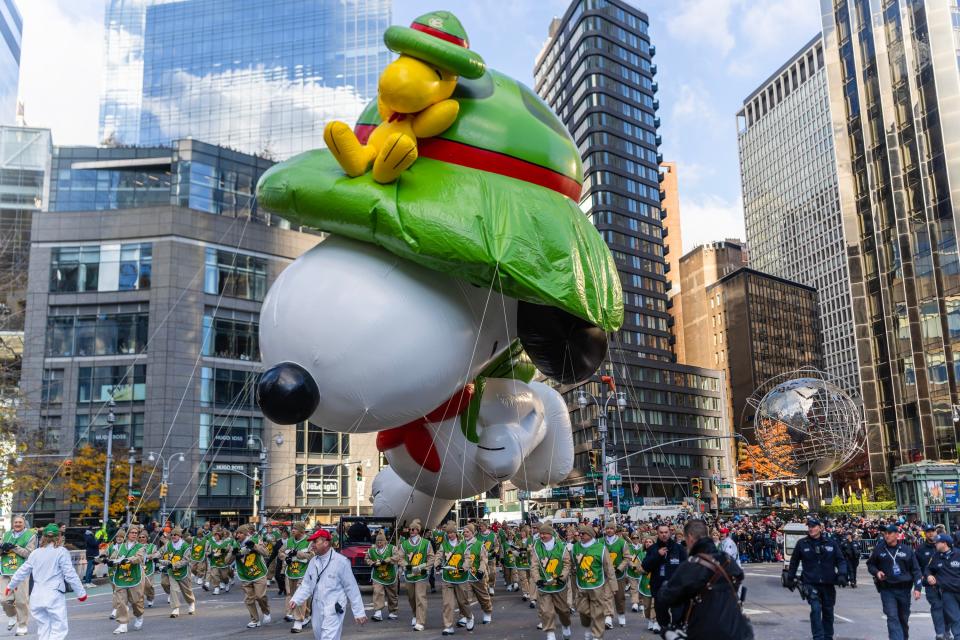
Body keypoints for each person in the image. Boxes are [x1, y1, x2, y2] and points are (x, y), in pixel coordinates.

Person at [655, 519, 753, 640]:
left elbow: (665, 598)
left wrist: (666, 626)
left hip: (704, 632)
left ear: (690, 537)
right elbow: (739, 577)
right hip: (738, 632)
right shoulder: (728, 561)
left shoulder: (691, 566)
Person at [6, 524, 87, 640]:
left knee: (43, 628)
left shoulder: (35, 553)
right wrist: (81, 593)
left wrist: (11, 585)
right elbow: (70, 575)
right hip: (54, 595)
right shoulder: (61, 552)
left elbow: (22, 571)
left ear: (43, 537)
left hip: (37, 596)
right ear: (59, 537)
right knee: (58, 628)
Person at [289, 528, 367, 640]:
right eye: (312, 542)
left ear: (326, 543)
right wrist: (296, 599)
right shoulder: (313, 562)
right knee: (319, 635)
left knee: (328, 637)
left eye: (315, 542)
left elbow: (351, 588)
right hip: (316, 606)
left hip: (334, 607)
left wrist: (359, 612)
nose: (312, 545)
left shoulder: (341, 562)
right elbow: (306, 584)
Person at [785, 517, 848, 640]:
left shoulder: (831, 543)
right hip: (810, 583)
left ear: (820, 527)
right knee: (815, 609)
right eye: (809, 527)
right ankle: (818, 637)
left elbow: (840, 560)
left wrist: (842, 574)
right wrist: (790, 577)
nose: (811, 529)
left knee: (828, 612)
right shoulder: (802, 544)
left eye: (813, 526)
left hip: (828, 583)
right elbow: (794, 562)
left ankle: (828, 636)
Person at [866, 524, 922, 640]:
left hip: (904, 590)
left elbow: (916, 570)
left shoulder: (907, 551)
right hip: (887, 589)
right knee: (892, 617)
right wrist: (877, 572)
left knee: (903, 618)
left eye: (889, 533)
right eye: (885, 533)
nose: (886, 536)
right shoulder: (879, 549)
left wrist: (917, 588)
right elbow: (870, 564)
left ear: (897, 535)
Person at [572, 523, 616, 640]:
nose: (580, 535)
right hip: (581, 585)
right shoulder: (575, 547)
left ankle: (597, 636)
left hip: (597, 585)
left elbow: (609, 568)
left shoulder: (601, 548)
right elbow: (572, 564)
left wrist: (613, 586)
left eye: (583, 534)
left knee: (598, 613)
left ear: (591, 535)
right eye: (580, 533)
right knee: (583, 611)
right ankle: (587, 628)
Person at [642, 523, 687, 633]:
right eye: (661, 532)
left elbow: (686, 567)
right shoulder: (652, 549)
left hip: (676, 588)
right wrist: (657, 555)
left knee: (678, 616)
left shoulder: (679, 548)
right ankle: (667, 631)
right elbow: (645, 566)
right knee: (662, 617)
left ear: (670, 533)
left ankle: (676, 632)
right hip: (659, 588)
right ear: (657, 533)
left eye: (666, 532)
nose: (664, 535)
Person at [531, 521, 571, 640]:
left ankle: (565, 625)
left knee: (563, 610)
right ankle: (550, 633)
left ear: (551, 534)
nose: (542, 536)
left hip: (559, 585)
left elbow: (567, 564)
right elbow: (534, 565)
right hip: (544, 586)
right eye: (540, 533)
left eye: (544, 533)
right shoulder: (536, 547)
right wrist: (537, 579)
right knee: (546, 611)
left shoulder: (561, 547)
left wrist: (562, 577)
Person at [435, 521, 474, 635]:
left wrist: (464, 567)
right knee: (448, 603)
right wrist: (437, 564)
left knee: (463, 602)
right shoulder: (444, 544)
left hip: (461, 577)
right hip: (447, 577)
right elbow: (439, 555)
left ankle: (469, 617)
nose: (450, 535)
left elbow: (468, 558)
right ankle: (448, 626)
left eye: (452, 532)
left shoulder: (463, 544)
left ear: (455, 533)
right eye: (448, 533)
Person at [0, 515, 36, 635]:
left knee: (21, 600)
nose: (17, 524)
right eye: (15, 522)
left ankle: (22, 625)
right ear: (12, 523)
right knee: (4, 599)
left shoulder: (30, 535)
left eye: (20, 522)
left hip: (21, 572)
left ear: (24, 523)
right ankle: (12, 615)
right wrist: (3, 549)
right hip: (5, 571)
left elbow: (29, 554)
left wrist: (14, 547)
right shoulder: (6, 535)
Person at [108, 524, 146, 634]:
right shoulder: (120, 547)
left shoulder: (141, 547)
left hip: (135, 576)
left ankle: (139, 615)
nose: (134, 535)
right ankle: (123, 624)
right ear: (127, 534)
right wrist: (108, 561)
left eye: (136, 533)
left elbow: (139, 558)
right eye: (132, 532)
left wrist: (127, 560)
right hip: (121, 577)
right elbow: (113, 557)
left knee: (136, 601)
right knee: (120, 601)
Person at [234, 524, 271, 628]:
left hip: (258, 573)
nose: (238, 535)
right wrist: (234, 554)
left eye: (241, 532)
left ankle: (266, 611)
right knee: (249, 599)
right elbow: (228, 561)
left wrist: (254, 546)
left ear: (246, 533)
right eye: (237, 533)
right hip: (245, 575)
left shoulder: (256, 539)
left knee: (260, 596)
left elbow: (266, 552)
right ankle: (255, 620)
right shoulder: (234, 543)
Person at [925, 533, 960, 640]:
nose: (935, 543)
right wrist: (929, 575)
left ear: (944, 543)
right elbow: (928, 569)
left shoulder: (958, 554)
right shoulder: (936, 556)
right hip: (947, 593)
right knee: (955, 619)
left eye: (937, 542)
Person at [401, 519, 433, 632]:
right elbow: (400, 557)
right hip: (409, 575)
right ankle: (415, 614)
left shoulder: (426, 543)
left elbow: (431, 557)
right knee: (411, 597)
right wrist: (406, 566)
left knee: (420, 597)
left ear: (418, 530)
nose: (411, 531)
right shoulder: (404, 544)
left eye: (413, 529)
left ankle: (420, 621)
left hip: (421, 575)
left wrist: (427, 568)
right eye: (410, 529)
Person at [157, 526, 196, 618]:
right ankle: (175, 608)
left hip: (183, 572)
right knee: (173, 589)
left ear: (180, 536)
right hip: (172, 573)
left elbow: (186, 560)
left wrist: (174, 565)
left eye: (176, 534)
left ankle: (191, 603)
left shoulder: (185, 546)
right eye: (172, 534)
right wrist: (153, 557)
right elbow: (160, 552)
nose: (174, 536)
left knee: (186, 590)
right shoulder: (168, 544)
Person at [917, 524, 947, 639]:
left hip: (946, 583)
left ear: (936, 532)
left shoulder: (942, 545)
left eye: (932, 531)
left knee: (948, 607)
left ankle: (946, 631)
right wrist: (921, 577)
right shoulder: (920, 549)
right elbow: (916, 567)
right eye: (928, 531)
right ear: (925, 533)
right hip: (930, 585)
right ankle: (940, 633)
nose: (930, 533)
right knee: (937, 606)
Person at [284, 522, 314, 633]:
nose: (292, 531)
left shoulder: (309, 541)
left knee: (300, 595)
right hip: (291, 572)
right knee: (293, 595)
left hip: (304, 572)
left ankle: (298, 621)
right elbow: (281, 552)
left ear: (301, 531)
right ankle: (307, 615)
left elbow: (312, 555)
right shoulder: (289, 540)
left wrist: (297, 553)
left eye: (295, 529)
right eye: (292, 528)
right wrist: (286, 557)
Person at [366, 530, 401, 622]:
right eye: (377, 541)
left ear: (385, 541)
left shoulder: (392, 548)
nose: (379, 543)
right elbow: (367, 558)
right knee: (377, 592)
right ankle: (378, 612)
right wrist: (372, 563)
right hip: (377, 575)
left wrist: (387, 560)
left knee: (392, 594)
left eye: (381, 541)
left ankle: (392, 612)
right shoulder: (372, 550)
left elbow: (397, 557)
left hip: (390, 575)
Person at [601, 521, 630, 628]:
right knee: (606, 596)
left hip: (618, 574)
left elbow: (627, 558)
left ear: (614, 530)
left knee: (619, 597)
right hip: (605, 575)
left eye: (611, 528)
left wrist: (619, 568)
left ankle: (621, 614)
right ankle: (608, 617)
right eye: (607, 528)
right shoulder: (600, 542)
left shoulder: (622, 543)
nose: (609, 530)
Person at [462, 523, 493, 624]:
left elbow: (484, 559)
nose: (465, 534)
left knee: (483, 597)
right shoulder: (461, 544)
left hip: (478, 576)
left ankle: (487, 612)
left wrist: (481, 570)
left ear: (473, 533)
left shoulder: (479, 544)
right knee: (465, 598)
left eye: (468, 532)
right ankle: (465, 616)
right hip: (466, 576)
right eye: (464, 532)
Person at [626, 533, 651, 619]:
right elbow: (628, 558)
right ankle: (635, 603)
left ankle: (641, 602)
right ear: (631, 538)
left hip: (642, 571)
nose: (635, 539)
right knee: (633, 587)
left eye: (637, 538)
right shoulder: (628, 547)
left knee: (641, 587)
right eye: (633, 538)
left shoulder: (642, 547)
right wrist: (632, 566)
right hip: (632, 571)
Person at [205, 527, 235, 595]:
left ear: (220, 536)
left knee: (224, 576)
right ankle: (216, 588)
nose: (215, 537)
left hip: (223, 563)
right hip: (214, 562)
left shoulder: (225, 543)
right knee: (215, 575)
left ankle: (226, 583)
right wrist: (209, 554)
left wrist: (226, 556)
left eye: (217, 535)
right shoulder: (211, 544)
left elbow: (230, 551)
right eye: (215, 535)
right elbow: (207, 552)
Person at [478, 521, 499, 595]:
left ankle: (491, 587)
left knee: (492, 573)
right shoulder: (477, 535)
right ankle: (485, 586)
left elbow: (496, 545)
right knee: (483, 573)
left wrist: (495, 552)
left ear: (486, 527)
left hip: (490, 557)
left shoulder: (492, 535)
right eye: (480, 526)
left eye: (482, 526)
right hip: (481, 558)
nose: (480, 527)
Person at [137, 530, 157, 608]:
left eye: (143, 537)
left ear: (147, 538)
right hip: (138, 568)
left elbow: (155, 554)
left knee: (148, 586)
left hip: (148, 568)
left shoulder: (152, 546)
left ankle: (150, 597)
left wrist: (148, 556)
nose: (141, 538)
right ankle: (139, 601)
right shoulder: (136, 546)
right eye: (140, 537)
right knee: (138, 587)